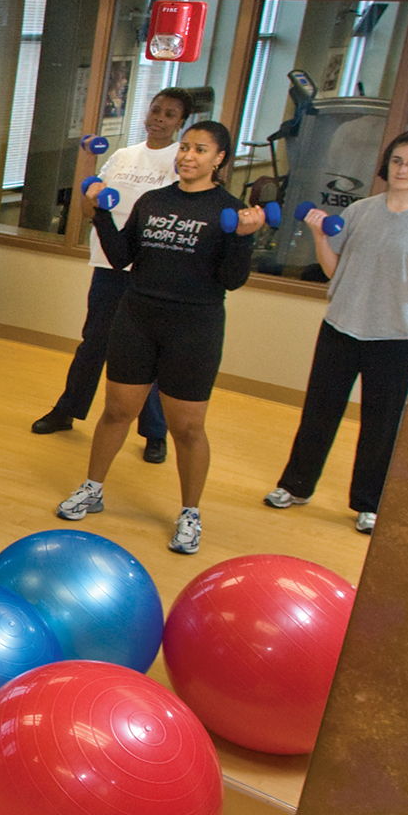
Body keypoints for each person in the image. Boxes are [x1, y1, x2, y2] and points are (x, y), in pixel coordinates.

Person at [57, 121, 254, 554]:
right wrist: (100, 215)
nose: (188, 156)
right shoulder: (152, 200)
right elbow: (123, 256)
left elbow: (231, 279)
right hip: (138, 316)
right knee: (116, 412)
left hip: (194, 327)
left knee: (187, 428)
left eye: (200, 149)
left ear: (219, 159)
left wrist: (242, 239)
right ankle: (93, 489)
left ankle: (190, 513)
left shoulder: (230, 210)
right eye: (185, 147)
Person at [265, 131, 408, 535]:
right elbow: (334, 270)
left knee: (380, 424)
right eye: (398, 160)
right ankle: (294, 486)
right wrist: (318, 234)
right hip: (342, 326)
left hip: (395, 336)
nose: (403, 169)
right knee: (319, 411)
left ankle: (368, 503)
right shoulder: (360, 211)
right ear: (387, 163)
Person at [31, 88, 196, 463]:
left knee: (148, 355)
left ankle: (155, 433)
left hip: (151, 270)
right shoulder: (123, 155)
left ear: (180, 124)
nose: (159, 118)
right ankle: (67, 410)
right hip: (109, 262)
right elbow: (90, 202)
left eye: (169, 114)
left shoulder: (179, 160)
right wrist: (89, 172)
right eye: (155, 110)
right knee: (94, 342)